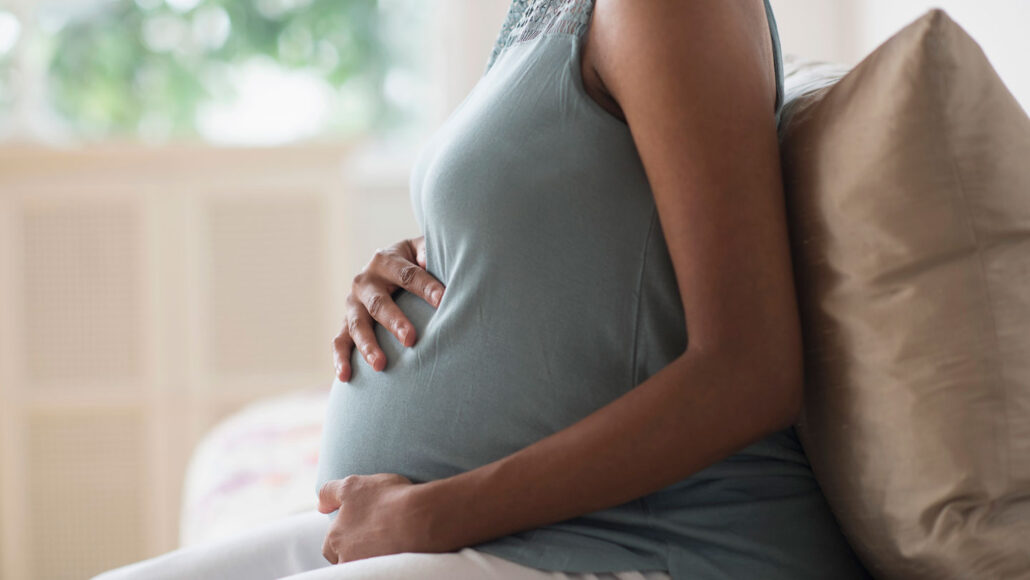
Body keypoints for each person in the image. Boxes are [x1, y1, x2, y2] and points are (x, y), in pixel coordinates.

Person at [96, 0, 871, 578]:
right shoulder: (543, 14)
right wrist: (424, 263)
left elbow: (751, 370)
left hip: (648, 547)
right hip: (512, 532)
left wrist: (433, 513)